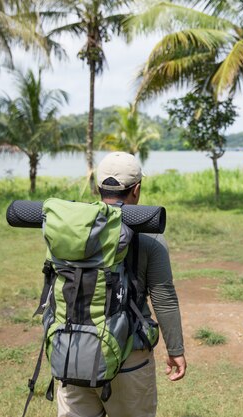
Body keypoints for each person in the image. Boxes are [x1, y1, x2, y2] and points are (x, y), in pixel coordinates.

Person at [57, 151, 187, 417]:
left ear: (97, 187)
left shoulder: (72, 230)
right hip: (128, 356)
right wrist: (176, 350)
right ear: (136, 190)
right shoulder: (150, 235)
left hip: (73, 351)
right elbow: (163, 298)